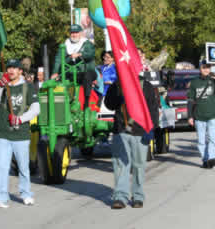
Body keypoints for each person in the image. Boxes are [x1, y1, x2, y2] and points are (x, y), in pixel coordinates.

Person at [0, 59, 40, 209]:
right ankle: (1, 198)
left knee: (23, 167)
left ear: (20, 71)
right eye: (9, 68)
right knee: (2, 167)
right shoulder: (4, 87)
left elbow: (36, 109)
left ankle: (26, 194)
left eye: (14, 68)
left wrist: (20, 119)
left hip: (21, 134)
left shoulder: (28, 87)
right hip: (4, 133)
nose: (11, 71)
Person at [105, 73, 159, 209]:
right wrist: (118, 93)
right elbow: (109, 105)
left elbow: (153, 109)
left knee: (138, 165)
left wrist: (152, 128)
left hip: (140, 131)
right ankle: (120, 197)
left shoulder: (146, 86)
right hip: (120, 130)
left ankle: (138, 196)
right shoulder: (117, 85)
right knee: (120, 165)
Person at [51, 24, 96, 108]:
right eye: (72, 32)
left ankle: (86, 103)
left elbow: (91, 54)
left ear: (81, 33)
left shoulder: (87, 43)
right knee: (58, 81)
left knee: (87, 76)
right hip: (70, 72)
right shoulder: (64, 45)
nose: (74, 35)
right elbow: (58, 59)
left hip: (84, 71)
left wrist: (80, 54)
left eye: (76, 32)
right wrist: (55, 72)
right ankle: (62, 106)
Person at [187, 60, 215, 169]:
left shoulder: (213, 81)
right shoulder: (194, 82)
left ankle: (212, 157)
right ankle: (205, 159)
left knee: (213, 138)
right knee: (201, 141)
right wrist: (190, 116)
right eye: (204, 67)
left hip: (212, 115)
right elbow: (190, 100)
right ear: (200, 69)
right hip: (199, 116)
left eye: (208, 67)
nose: (206, 70)